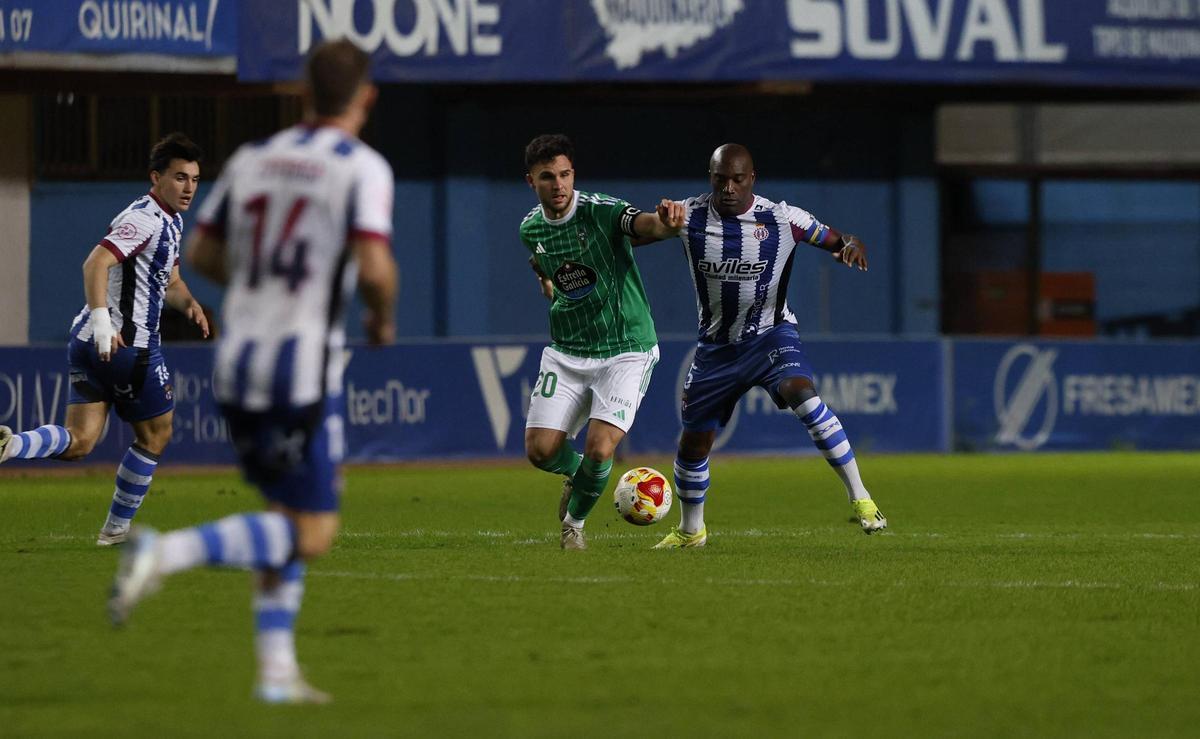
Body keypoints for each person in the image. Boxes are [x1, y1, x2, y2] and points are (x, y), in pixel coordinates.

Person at [107, 39, 398, 704]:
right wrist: (381, 320)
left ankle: (275, 671)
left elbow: (203, 253)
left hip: (238, 362)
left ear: (303, 92)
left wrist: (263, 280)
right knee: (313, 531)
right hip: (300, 370)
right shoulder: (361, 166)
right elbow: (376, 269)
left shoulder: (253, 158)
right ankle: (164, 552)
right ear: (367, 97)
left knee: (282, 513)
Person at [650, 143, 887, 549]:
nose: (728, 188)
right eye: (720, 179)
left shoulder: (784, 218)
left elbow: (838, 239)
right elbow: (637, 231)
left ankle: (862, 498)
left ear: (752, 179)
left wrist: (852, 243)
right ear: (710, 179)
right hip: (716, 349)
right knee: (693, 443)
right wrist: (656, 220)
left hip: (770, 335)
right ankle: (691, 531)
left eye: (737, 179)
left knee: (801, 393)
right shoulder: (687, 215)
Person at [0, 133, 209, 546]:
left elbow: (171, 281)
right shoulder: (144, 219)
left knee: (80, 441)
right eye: (180, 177)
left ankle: (11, 444)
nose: (189, 188)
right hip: (126, 346)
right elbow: (95, 263)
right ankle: (115, 531)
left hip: (88, 343)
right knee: (156, 435)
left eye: (195, 179)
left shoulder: (171, 220)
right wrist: (103, 323)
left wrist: (190, 303)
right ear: (156, 178)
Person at [520, 134, 684, 550]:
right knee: (540, 451)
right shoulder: (531, 228)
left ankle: (573, 526)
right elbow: (542, 259)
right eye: (547, 177)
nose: (558, 184)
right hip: (568, 351)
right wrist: (546, 281)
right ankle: (580, 475)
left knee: (600, 447)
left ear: (573, 174)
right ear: (531, 182)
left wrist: (666, 222)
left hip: (625, 348)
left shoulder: (601, 211)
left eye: (564, 174)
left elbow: (644, 225)